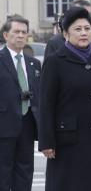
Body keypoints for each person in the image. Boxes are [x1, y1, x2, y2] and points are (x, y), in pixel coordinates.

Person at [38, 7, 91, 191]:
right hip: (67, 139)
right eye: (77, 29)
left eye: (87, 29)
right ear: (65, 34)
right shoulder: (56, 61)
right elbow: (46, 103)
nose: (83, 33)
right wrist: (47, 141)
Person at [0, 15, 41, 191]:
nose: (20, 35)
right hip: (3, 125)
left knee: (25, 173)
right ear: (5, 35)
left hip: (27, 124)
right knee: (3, 173)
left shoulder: (34, 63)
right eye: (16, 32)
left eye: (24, 32)